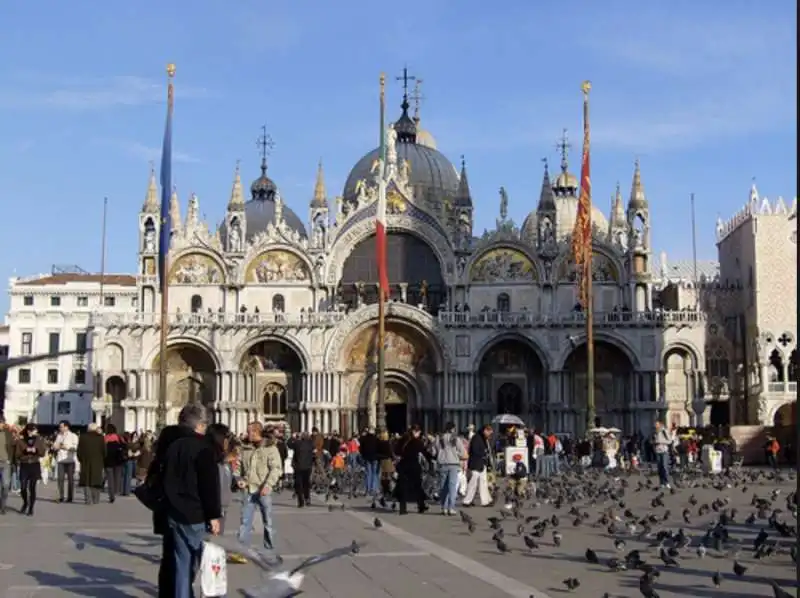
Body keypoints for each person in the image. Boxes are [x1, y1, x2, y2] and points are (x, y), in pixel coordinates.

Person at [161, 403, 221, 598]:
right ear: (200, 425)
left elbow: (166, 479)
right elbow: (209, 486)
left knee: (181, 566)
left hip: (175, 513)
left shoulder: (173, 447)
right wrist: (213, 516)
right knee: (203, 565)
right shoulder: (203, 448)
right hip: (196, 515)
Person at [237, 422, 283, 565]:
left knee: (268, 522)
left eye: (249, 431)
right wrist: (239, 478)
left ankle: (269, 551)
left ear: (257, 432)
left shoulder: (270, 448)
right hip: (248, 489)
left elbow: (276, 468)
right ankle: (242, 551)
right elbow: (238, 466)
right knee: (245, 522)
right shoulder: (245, 448)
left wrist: (268, 485)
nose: (247, 434)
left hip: (263, 490)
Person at [394, 424, 433, 515]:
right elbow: (425, 452)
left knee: (402, 486)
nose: (419, 434)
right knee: (417, 486)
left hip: (403, 465)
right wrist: (431, 459)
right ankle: (421, 506)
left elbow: (396, 451)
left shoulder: (402, 440)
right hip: (413, 465)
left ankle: (402, 509)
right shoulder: (417, 442)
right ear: (415, 432)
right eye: (419, 432)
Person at [433, 422, 467, 516]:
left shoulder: (439, 438)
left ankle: (444, 507)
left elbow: (434, 451)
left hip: (442, 464)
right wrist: (456, 455)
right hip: (453, 464)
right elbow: (462, 452)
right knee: (452, 487)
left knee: (443, 486)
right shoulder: (456, 438)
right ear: (453, 429)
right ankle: (451, 508)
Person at [15, 423, 46, 516]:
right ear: (28, 430)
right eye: (33, 430)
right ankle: (25, 502)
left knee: (32, 487)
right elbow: (17, 455)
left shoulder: (39, 440)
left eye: (35, 430)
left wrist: (36, 451)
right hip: (24, 465)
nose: (34, 432)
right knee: (23, 487)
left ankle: (31, 508)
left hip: (34, 465)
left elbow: (43, 453)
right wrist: (25, 452)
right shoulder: (21, 441)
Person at [462, 424, 493, 507]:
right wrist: (484, 453)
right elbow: (475, 451)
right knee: (473, 483)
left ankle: (485, 501)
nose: (490, 433)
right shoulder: (476, 438)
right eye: (489, 431)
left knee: (482, 483)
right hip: (476, 464)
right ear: (484, 430)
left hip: (481, 464)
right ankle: (467, 501)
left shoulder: (482, 438)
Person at [77, 423, 106, 504]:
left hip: (85, 461)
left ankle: (88, 499)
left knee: (86, 481)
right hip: (98, 462)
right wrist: (102, 459)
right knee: (96, 481)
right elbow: (104, 451)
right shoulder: (100, 438)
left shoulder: (83, 437)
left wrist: (81, 459)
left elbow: (79, 451)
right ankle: (96, 499)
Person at [53, 420, 79, 503]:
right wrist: (55, 447)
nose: (60, 428)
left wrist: (66, 447)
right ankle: (61, 496)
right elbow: (54, 445)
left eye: (61, 426)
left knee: (70, 480)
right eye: (59, 427)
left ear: (66, 427)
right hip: (60, 459)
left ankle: (70, 497)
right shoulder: (59, 436)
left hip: (70, 460)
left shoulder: (73, 436)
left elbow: (75, 447)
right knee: (60, 479)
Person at [289, 431, 314, 508]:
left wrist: (292, 437)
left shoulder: (297, 443)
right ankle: (307, 499)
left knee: (299, 485)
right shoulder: (311, 444)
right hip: (308, 467)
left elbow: (289, 444)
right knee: (306, 484)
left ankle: (301, 502)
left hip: (298, 467)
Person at [103, 424, 127, 503]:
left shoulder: (105, 438)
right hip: (118, 461)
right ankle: (116, 490)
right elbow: (125, 446)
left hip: (108, 461)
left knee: (110, 479)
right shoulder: (119, 438)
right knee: (117, 478)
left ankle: (111, 494)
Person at [652, 421, 674, 488]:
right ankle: (661, 482)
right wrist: (654, 442)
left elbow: (670, 441)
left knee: (664, 467)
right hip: (658, 451)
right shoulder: (654, 432)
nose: (655, 426)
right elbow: (652, 440)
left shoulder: (664, 431)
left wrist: (660, 442)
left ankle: (667, 482)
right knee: (659, 467)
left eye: (657, 424)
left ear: (661, 425)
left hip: (664, 451)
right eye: (655, 425)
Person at [0, 416, 15, 514]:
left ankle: (3, 505)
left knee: (5, 486)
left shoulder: (9, 434)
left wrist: (11, 460)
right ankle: (2, 507)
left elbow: (13, 447)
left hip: (6, 462)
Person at [359, 427, 379, 496]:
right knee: (374, 473)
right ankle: (373, 489)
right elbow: (379, 449)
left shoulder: (364, 439)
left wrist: (363, 456)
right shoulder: (376, 439)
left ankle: (367, 489)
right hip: (375, 458)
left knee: (368, 473)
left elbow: (361, 449)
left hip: (367, 458)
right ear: (373, 432)